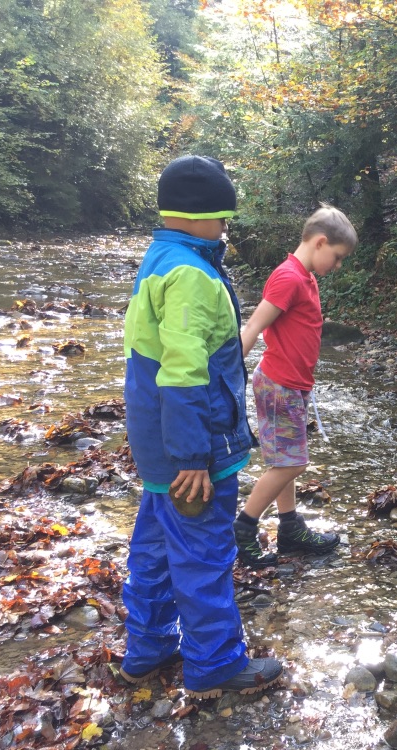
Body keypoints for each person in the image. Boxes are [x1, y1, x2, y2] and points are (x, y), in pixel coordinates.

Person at [120, 155, 282, 698]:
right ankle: (215, 664)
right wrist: (193, 457)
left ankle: (147, 649)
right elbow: (183, 373)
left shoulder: (162, 257)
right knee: (204, 551)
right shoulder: (191, 273)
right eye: (223, 219)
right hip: (193, 445)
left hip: (155, 439)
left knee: (154, 546)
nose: (226, 229)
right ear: (201, 216)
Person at [233, 204, 357, 567]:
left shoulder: (306, 278)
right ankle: (244, 527)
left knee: (285, 460)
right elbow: (254, 326)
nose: (338, 265)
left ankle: (289, 528)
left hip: (293, 385)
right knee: (292, 464)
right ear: (320, 242)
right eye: (337, 257)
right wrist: (226, 375)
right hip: (279, 384)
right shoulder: (288, 277)